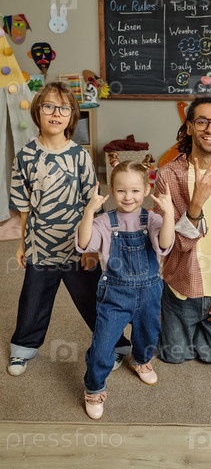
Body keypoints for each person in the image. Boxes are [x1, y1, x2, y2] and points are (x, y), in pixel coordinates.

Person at [7, 81, 130, 376]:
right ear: (38, 111)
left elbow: (94, 205)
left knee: (94, 299)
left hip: (78, 245)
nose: (56, 113)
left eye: (63, 108)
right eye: (49, 106)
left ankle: (114, 344)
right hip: (41, 246)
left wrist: (93, 248)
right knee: (33, 300)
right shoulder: (25, 156)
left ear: (72, 115)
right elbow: (24, 207)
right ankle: (23, 348)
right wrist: (23, 244)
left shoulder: (79, 156)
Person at [76, 160, 175, 419]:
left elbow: (165, 244)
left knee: (148, 334)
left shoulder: (152, 219)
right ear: (111, 190)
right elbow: (84, 243)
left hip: (149, 292)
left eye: (134, 190)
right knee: (102, 344)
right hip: (115, 294)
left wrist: (169, 215)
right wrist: (88, 213)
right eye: (121, 190)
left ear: (146, 190)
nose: (128, 196)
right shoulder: (104, 221)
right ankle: (94, 387)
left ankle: (140, 361)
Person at [154, 96, 211, 364]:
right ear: (189, 127)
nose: (210, 129)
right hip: (181, 288)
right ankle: (166, 313)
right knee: (173, 356)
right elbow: (170, 244)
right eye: (202, 121)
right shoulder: (168, 176)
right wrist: (195, 205)